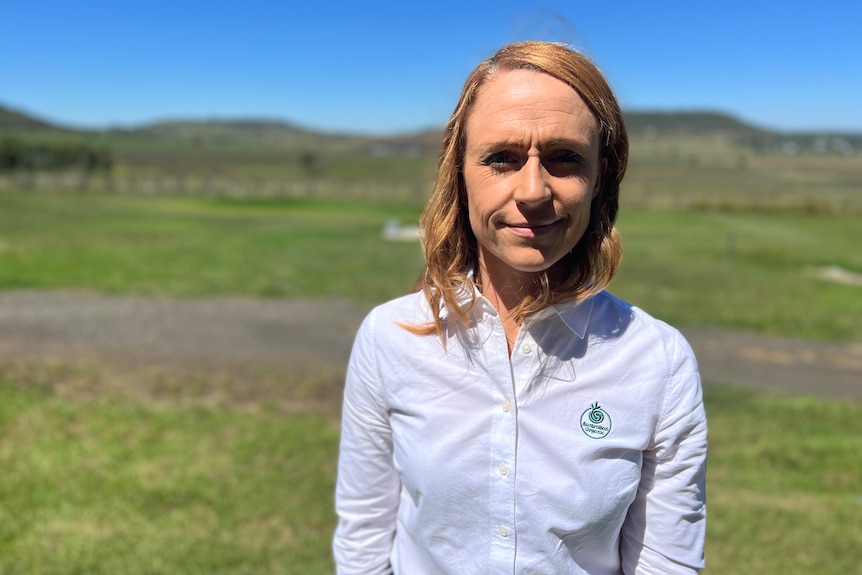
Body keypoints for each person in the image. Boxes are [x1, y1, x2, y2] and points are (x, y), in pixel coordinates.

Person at [333, 41, 707, 575]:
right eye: (501, 158)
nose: (533, 190)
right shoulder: (390, 338)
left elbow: (667, 563)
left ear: (600, 177)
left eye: (564, 158)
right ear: (459, 172)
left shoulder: (657, 361)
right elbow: (365, 538)